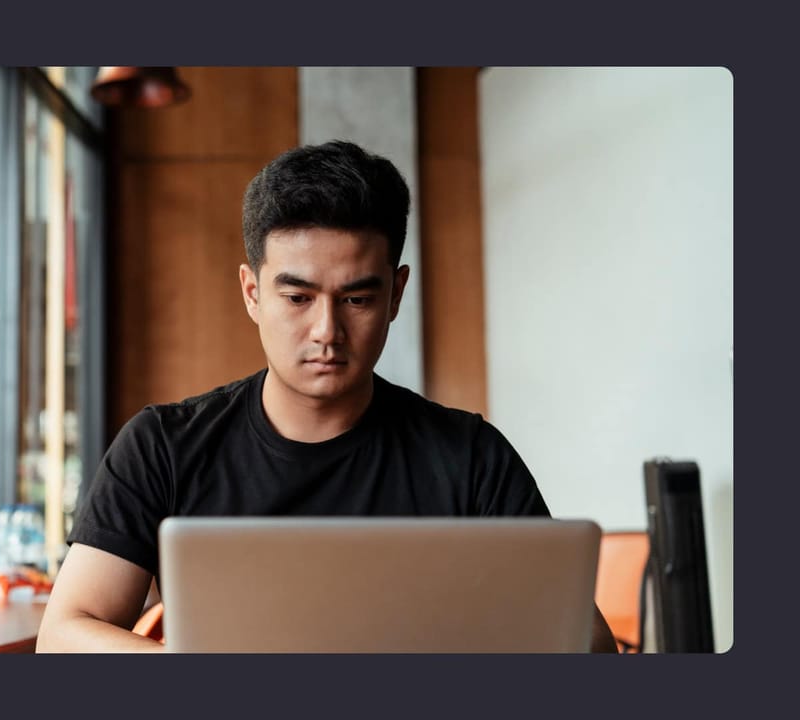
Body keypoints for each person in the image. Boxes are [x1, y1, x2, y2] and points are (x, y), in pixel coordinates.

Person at [35, 140, 617, 653]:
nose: (326, 332)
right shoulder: (163, 444)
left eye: (358, 299)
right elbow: (62, 636)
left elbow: (587, 643)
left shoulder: (469, 455)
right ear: (252, 293)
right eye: (297, 298)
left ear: (395, 293)